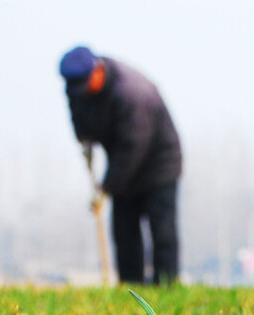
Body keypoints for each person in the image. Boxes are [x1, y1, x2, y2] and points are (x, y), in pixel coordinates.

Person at [60, 46, 182, 285]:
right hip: (123, 165)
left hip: (159, 165)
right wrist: (83, 137)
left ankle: (166, 285)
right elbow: (77, 113)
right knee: (124, 232)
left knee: (162, 231)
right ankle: (130, 286)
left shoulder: (131, 93)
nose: (80, 94)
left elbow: (133, 147)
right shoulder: (78, 89)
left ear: (97, 71)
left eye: (84, 88)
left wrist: (106, 187)